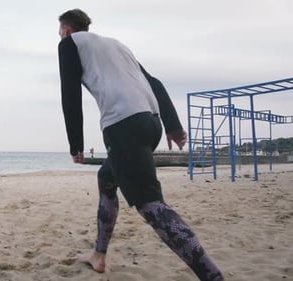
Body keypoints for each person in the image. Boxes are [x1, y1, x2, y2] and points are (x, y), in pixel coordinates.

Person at [57, 9, 224, 281]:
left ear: (66, 29)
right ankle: (99, 254)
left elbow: (70, 92)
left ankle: (211, 275)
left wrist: (75, 144)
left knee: (152, 206)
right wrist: (173, 125)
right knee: (107, 178)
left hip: (123, 125)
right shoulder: (117, 45)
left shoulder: (69, 43)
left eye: (60, 32)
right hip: (151, 122)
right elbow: (154, 81)